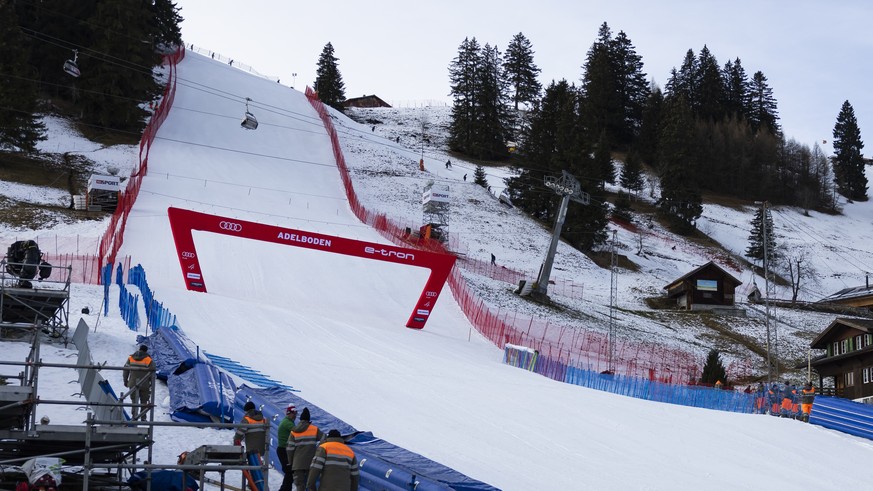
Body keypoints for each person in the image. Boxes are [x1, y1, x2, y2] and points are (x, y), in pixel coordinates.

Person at [286, 407, 323, 491]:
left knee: (299, 485)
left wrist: (291, 462)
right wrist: (318, 449)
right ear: (308, 419)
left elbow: (289, 449)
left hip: (297, 464)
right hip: (311, 462)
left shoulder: (294, 431)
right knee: (311, 485)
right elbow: (324, 439)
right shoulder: (314, 429)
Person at [122, 345, 154, 420]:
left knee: (134, 401)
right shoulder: (148, 359)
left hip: (133, 383)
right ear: (146, 351)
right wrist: (151, 383)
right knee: (144, 401)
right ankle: (143, 417)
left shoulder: (130, 358)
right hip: (145, 383)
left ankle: (134, 417)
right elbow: (152, 372)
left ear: (139, 349)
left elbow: (125, 370)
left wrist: (125, 380)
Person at [277, 404, 298, 491]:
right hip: (283, 450)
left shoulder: (288, 421)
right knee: (289, 472)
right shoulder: (287, 423)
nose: (296, 416)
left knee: (289, 472)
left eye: (296, 413)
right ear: (289, 413)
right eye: (294, 414)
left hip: (284, 450)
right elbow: (297, 431)